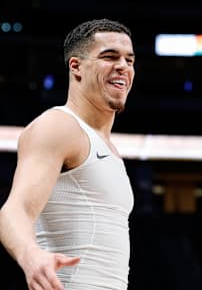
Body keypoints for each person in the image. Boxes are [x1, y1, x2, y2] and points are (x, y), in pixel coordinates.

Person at [0, 18, 136, 290]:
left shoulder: (107, 146)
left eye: (129, 60)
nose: (123, 66)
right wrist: (31, 254)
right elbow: (16, 209)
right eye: (109, 57)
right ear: (76, 67)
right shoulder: (59, 125)